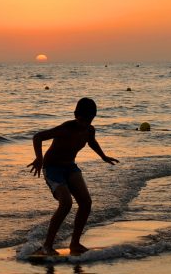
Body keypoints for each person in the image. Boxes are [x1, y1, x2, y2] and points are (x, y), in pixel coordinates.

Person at [28, 98, 117, 255]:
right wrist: (39, 158)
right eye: (82, 119)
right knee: (66, 203)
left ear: (93, 117)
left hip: (70, 167)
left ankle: (75, 244)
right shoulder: (66, 128)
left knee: (86, 202)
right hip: (53, 168)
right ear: (76, 115)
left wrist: (103, 156)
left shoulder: (90, 130)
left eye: (89, 120)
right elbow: (38, 137)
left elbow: (92, 142)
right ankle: (47, 246)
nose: (85, 123)